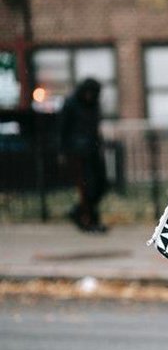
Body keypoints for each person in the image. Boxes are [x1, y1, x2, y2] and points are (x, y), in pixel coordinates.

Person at [59, 77, 108, 233]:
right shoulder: (71, 105)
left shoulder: (93, 105)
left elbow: (94, 127)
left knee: (102, 184)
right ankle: (89, 219)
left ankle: (78, 212)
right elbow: (62, 130)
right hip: (77, 152)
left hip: (92, 150)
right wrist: (64, 151)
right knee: (87, 186)